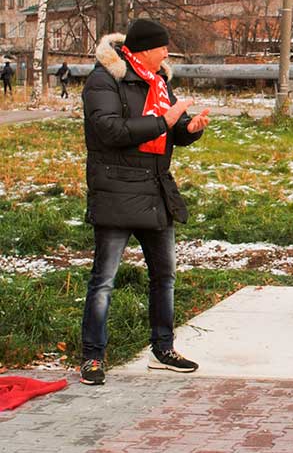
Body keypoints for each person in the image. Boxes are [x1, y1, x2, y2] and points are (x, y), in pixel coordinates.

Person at [79, 19, 211, 386]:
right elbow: (111, 131)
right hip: (116, 189)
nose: (167, 54)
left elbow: (173, 130)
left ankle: (163, 349)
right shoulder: (104, 79)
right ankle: (92, 357)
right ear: (142, 50)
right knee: (104, 280)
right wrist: (165, 120)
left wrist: (189, 128)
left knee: (164, 277)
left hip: (155, 190)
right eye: (161, 48)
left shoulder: (159, 81)